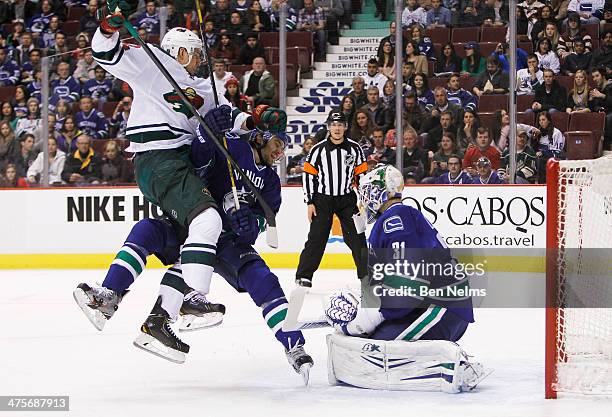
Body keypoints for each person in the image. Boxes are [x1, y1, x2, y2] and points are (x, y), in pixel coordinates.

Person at [89, 4, 286, 353]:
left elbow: (230, 116)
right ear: (179, 52)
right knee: (208, 218)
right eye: (195, 55)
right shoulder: (155, 64)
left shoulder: (205, 88)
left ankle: (156, 319)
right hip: (160, 158)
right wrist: (107, 28)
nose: (200, 62)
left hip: (181, 163)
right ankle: (193, 299)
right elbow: (106, 55)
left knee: (190, 238)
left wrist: (258, 119)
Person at [75, 128, 314, 380]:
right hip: (193, 222)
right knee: (146, 230)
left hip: (228, 240)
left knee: (264, 281)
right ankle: (111, 295)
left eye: (284, 147)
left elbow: (261, 224)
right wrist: (205, 132)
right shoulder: (231, 148)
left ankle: (294, 346)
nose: (280, 152)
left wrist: (248, 225)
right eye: (277, 143)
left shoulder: (271, 183)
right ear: (259, 138)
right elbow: (199, 161)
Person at [325, 164, 484, 392]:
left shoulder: (394, 218)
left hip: (440, 308)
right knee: (373, 342)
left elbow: (407, 283)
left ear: (380, 191)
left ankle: (451, 364)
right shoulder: (397, 218)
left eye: (368, 192)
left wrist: (373, 316)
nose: (365, 199)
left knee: (376, 347)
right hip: (433, 306)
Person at [296, 112, 368, 288]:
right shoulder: (317, 149)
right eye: (334, 124)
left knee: (358, 237)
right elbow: (308, 176)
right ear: (328, 127)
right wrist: (310, 201)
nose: (337, 128)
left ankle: (366, 276)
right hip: (323, 200)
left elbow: (362, 176)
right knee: (316, 239)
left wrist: (365, 201)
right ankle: (304, 276)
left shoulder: (355, 149)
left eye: (340, 124)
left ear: (345, 127)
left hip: (347, 200)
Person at [533, 110, 565, 182]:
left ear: (549, 121)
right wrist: (534, 139)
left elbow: (558, 151)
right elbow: (533, 149)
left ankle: (542, 183)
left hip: (553, 157)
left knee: (540, 161)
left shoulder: (556, 133)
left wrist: (543, 153)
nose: (541, 122)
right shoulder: (537, 132)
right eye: (540, 120)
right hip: (540, 157)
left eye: (543, 120)